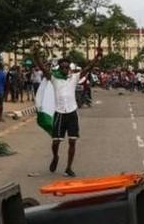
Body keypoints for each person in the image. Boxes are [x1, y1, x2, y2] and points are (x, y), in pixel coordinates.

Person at [34, 45, 102, 177]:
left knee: (72, 141)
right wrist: (36, 55)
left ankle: (68, 167)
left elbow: (88, 68)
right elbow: (42, 67)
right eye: (63, 67)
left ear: (70, 68)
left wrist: (97, 57)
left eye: (67, 67)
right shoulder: (54, 78)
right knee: (56, 142)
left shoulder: (74, 77)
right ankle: (55, 157)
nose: (65, 69)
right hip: (59, 113)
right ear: (60, 68)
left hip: (72, 113)